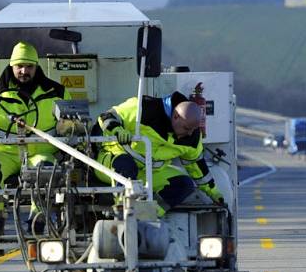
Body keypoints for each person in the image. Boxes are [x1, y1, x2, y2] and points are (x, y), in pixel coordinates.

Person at [0, 42, 71, 238]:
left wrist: (68, 126)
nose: (24, 71)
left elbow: (74, 123)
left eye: (29, 66)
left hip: (41, 150)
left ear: (36, 66)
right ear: (11, 66)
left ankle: (36, 221)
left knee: (47, 171)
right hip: (2, 151)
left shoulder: (57, 92)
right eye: (19, 66)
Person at [93, 92, 224, 215]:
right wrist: (117, 130)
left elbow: (196, 166)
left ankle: (149, 215)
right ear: (176, 116)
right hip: (112, 162)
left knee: (184, 184)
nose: (189, 133)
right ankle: (123, 212)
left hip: (148, 173)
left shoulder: (192, 138)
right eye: (186, 128)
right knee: (126, 165)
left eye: (193, 129)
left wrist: (214, 193)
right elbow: (106, 116)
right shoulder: (144, 109)